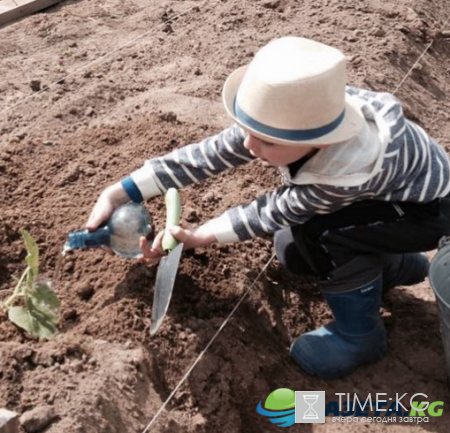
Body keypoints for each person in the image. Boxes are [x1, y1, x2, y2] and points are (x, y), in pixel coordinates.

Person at [86, 37, 450, 380]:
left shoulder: (346, 171)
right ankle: (397, 266)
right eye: (246, 129)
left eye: (264, 141)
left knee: (318, 235)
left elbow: (274, 211)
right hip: (389, 201)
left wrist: (199, 237)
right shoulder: (299, 114)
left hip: (426, 211)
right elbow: (212, 153)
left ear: (320, 144)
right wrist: (120, 192)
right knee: (290, 247)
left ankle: (361, 338)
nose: (248, 144)